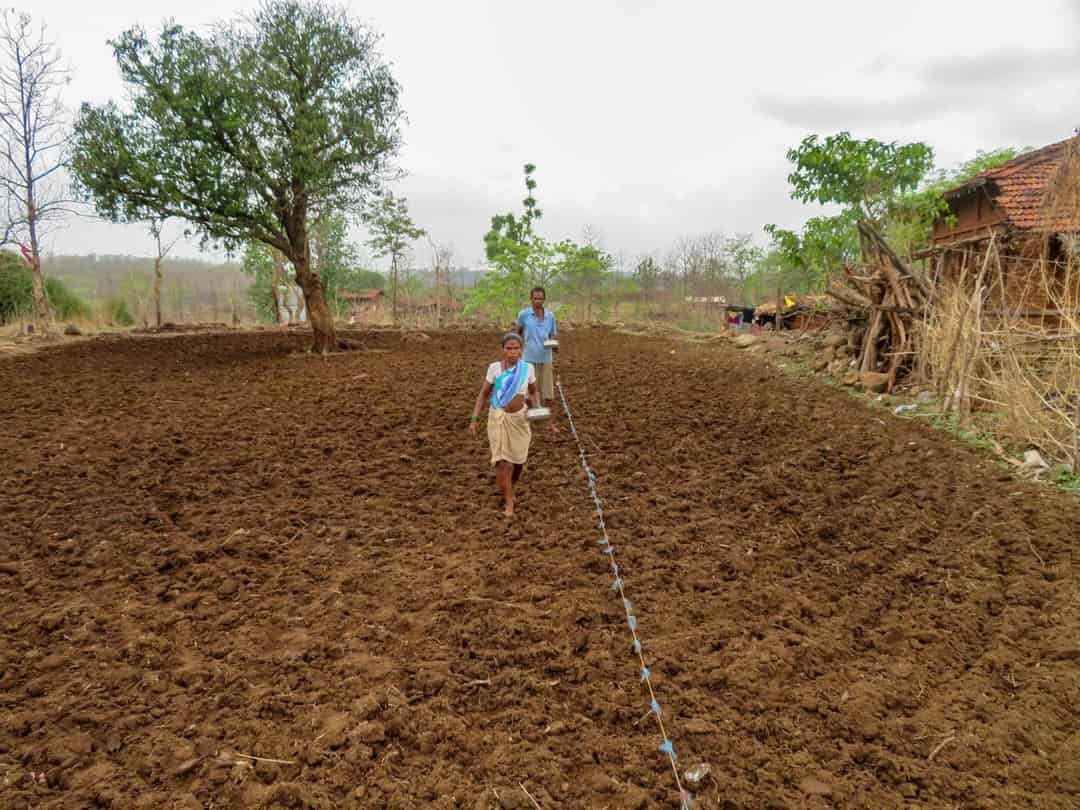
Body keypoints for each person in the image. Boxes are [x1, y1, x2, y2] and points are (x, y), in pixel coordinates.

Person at [468, 332, 541, 517]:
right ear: (503, 350)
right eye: (508, 348)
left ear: (521, 350)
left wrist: (538, 411)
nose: (512, 352)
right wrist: (474, 418)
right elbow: (483, 394)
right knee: (503, 463)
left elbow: (533, 392)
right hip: (498, 417)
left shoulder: (528, 369)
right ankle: (509, 502)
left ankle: (509, 486)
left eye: (516, 348)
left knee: (518, 462)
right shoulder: (494, 368)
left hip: (520, 419)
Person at [516, 287, 558, 414]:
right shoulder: (524, 315)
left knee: (548, 392)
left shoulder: (550, 316)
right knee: (528, 391)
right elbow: (518, 332)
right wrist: (518, 349)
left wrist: (555, 346)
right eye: (535, 298)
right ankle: (532, 414)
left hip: (546, 358)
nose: (538, 301)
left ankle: (548, 422)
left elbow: (552, 335)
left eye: (540, 298)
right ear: (531, 299)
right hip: (528, 358)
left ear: (544, 299)